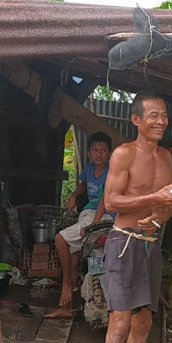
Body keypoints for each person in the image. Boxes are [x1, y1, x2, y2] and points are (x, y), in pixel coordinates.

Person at [102, 90, 172, 343]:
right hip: (123, 244)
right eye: (153, 115)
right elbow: (111, 201)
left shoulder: (166, 157)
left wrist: (161, 214)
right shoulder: (123, 154)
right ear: (136, 120)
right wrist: (153, 199)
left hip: (150, 245)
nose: (160, 121)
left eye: (164, 115)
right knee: (119, 324)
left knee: (144, 322)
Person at [45, 131, 114, 318]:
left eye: (103, 150)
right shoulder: (90, 170)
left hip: (102, 216)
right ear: (89, 153)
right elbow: (84, 184)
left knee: (60, 239)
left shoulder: (111, 173)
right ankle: (69, 308)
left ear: (109, 154)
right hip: (89, 215)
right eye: (95, 150)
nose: (99, 154)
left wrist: (93, 225)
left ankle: (66, 284)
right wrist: (74, 196)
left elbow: (104, 201)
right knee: (74, 258)